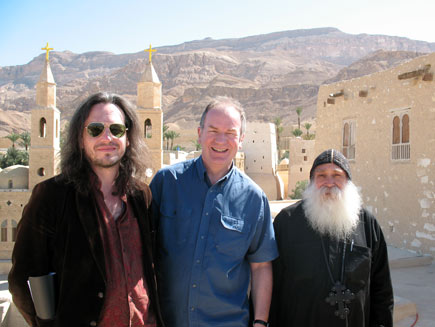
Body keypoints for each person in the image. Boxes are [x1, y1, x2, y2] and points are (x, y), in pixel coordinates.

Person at [8, 92, 164, 327]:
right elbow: (22, 278)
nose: (107, 137)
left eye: (116, 130)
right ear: (80, 139)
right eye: (95, 129)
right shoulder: (53, 196)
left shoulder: (141, 196)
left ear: (128, 138)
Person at [150, 96, 278, 327]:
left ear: (241, 140)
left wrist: (260, 323)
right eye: (213, 130)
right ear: (199, 133)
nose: (221, 140)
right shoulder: (166, 182)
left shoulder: (254, 199)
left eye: (230, 132)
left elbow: (261, 266)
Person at [270, 149, 394, 327]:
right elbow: (272, 284)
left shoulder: (367, 224)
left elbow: (382, 290)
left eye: (337, 175)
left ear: (348, 181)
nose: (329, 183)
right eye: (321, 176)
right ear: (312, 181)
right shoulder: (287, 222)